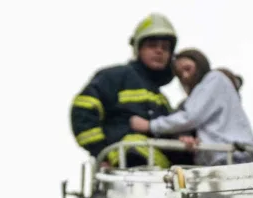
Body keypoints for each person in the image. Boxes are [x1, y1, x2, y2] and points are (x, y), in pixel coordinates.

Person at [69, 13, 193, 169]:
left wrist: (183, 138)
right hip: (127, 169)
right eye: (152, 45)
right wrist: (101, 152)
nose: (159, 51)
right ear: (138, 48)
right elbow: (82, 111)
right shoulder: (115, 77)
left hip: (160, 178)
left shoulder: (161, 99)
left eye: (165, 48)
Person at [129, 48, 253, 166]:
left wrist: (150, 125)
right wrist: (186, 138)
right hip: (217, 158)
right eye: (179, 74)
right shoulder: (197, 98)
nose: (184, 76)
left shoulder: (214, 79)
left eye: (187, 69)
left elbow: (191, 117)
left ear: (200, 64)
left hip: (233, 155)